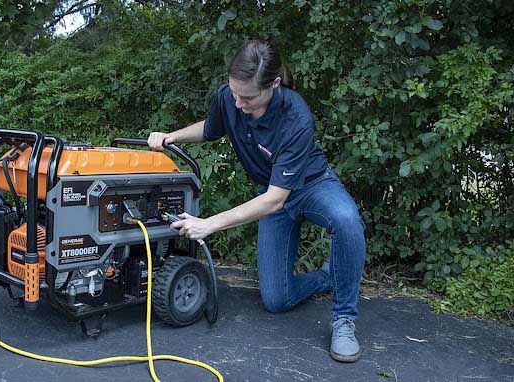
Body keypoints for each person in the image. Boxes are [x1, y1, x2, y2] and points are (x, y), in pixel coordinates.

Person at [147, 40, 366, 363]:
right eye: (234, 94)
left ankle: (344, 319)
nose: (238, 103)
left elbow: (275, 200)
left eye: (247, 97)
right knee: (277, 300)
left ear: (274, 85)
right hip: (271, 191)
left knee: (346, 219)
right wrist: (171, 137)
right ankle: (328, 276)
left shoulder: (297, 117)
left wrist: (209, 224)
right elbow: (210, 128)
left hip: (310, 185)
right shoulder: (230, 98)